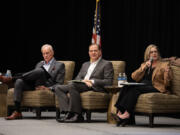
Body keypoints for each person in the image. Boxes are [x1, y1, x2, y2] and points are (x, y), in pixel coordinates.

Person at [111, 44, 173, 127]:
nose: (154, 54)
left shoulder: (164, 64)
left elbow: (167, 84)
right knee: (126, 86)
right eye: (151, 52)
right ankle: (120, 112)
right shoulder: (145, 64)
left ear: (158, 53)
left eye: (155, 52)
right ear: (148, 54)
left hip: (156, 87)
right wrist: (143, 68)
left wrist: (167, 73)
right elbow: (134, 76)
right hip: (145, 84)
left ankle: (126, 114)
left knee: (135, 89)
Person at [0, 44, 65, 120]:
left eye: (47, 53)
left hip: (45, 85)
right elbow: (32, 76)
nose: (45, 56)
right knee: (19, 81)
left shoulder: (60, 65)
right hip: (34, 84)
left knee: (40, 70)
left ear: (52, 53)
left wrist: (49, 88)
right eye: (43, 54)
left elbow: (59, 83)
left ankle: (11, 79)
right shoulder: (39, 63)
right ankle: (17, 111)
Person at [55, 44, 114, 123]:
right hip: (82, 85)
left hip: (94, 87)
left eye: (95, 51)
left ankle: (77, 114)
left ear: (100, 52)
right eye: (91, 51)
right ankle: (68, 113)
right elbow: (77, 78)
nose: (93, 53)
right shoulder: (85, 64)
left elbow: (109, 82)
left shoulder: (107, 64)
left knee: (72, 85)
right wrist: (84, 81)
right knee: (58, 88)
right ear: (88, 52)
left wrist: (92, 81)